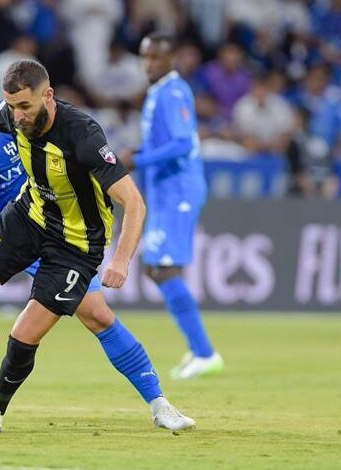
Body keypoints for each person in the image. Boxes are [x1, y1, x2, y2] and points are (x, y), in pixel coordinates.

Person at [0, 60, 196, 434]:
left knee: (65, 325)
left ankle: (156, 405)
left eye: (24, 107)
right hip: (27, 219)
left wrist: (121, 261)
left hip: (75, 244)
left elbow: (134, 202)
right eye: (12, 108)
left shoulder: (83, 135)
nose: (18, 117)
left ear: (48, 96)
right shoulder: (11, 115)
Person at [120, 33, 223, 380]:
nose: (150, 64)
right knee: (155, 268)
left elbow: (182, 144)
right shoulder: (157, 92)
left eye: (157, 58)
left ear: (172, 59)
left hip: (179, 189)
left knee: (165, 269)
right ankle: (199, 350)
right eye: (145, 57)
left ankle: (205, 352)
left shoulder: (174, 91)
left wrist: (141, 158)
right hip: (164, 193)